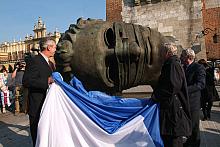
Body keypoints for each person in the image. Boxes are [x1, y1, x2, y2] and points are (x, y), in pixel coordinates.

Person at [151, 43, 191, 147]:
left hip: (173, 112)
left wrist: (156, 96)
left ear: (167, 53)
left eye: (162, 52)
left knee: (173, 142)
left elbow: (173, 87)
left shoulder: (173, 65)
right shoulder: (171, 64)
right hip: (171, 111)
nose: (160, 54)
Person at [22, 37, 56, 146]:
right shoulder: (34, 60)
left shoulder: (49, 63)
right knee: (37, 136)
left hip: (47, 105)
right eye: (54, 47)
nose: (56, 49)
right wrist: (47, 81)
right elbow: (26, 81)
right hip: (37, 105)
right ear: (48, 47)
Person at [180, 48, 206, 147]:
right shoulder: (183, 67)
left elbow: (200, 84)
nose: (181, 58)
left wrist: (184, 90)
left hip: (193, 102)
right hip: (184, 102)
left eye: (182, 56)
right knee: (186, 126)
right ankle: (188, 142)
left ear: (188, 57)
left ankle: (195, 144)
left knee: (194, 127)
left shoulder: (198, 67)